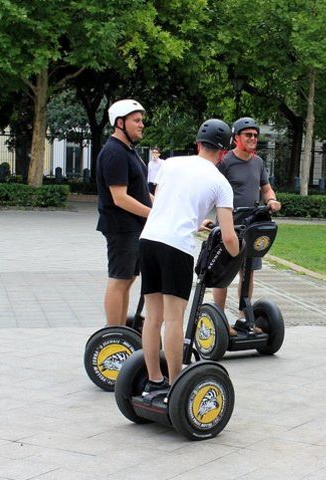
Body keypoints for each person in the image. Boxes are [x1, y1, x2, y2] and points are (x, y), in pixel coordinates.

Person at [139, 119, 239, 394]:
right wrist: (238, 256)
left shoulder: (169, 164)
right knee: (174, 319)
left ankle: (154, 379)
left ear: (197, 144)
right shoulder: (221, 183)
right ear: (224, 152)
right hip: (177, 248)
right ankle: (175, 384)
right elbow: (229, 237)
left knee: (153, 316)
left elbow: (161, 205)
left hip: (148, 240)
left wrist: (194, 222)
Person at [213, 117, 281, 336]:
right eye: (248, 135)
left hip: (251, 227)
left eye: (255, 135)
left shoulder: (258, 162)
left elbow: (266, 187)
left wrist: (271, 199)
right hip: (228, 225)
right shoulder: (225, 162)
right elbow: (212, 190)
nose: (253, 139)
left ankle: (243, 317)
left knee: (248, 272)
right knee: (222, 273)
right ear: (236, 138)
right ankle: (220, 319)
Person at [96, 99, 152, 327]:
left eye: (141, 120)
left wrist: (163, 209)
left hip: (134, 227)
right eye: (136, 120)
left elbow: (142, 192)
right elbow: (119, 198)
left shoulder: (128, 151)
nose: (141, 125)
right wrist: (153, 214)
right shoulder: (114, 152)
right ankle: (111, 335)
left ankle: (120, 331)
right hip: (121, 227)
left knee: (128, 280)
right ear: (120, 123)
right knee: (119, 281)